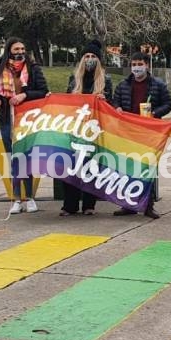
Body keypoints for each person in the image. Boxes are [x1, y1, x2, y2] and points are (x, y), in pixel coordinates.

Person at [0, 37, 48, 215]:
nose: (20, 52)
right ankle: (16, 199)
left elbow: (43, 91)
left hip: (28, 118)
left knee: (26, 156)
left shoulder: (33, 68)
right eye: (16, 49)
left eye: (22, 48)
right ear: (9, 50)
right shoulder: (1, 68)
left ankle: (29, 197)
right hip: (7, 117)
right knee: (14, 158)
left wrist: (25, 95)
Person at [112, 51, 171, 219]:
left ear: (146, 65)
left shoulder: (158, 85)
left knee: (147, 169)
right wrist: (116, 107)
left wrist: (154, 113)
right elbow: (115, 101)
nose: (137, 68)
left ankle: (148, 205)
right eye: (134, 64)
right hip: (127, 132)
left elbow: (168, 104)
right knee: (126, 168)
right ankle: (127, 204)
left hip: (148, 133)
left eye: (140, 64)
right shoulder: (123, 85)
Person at [60, 39, 113, 216]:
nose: (90, 59)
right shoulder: (73, 79)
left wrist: (105, 101)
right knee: (71, 167)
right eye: (87, 56)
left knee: (92, 167)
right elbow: (67, 102)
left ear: (98, 60)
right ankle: (69, 205)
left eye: (93, 56)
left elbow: (111, 105)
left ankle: (89, 205)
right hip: (75, 130)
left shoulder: (105, 80)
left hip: (95, 130)